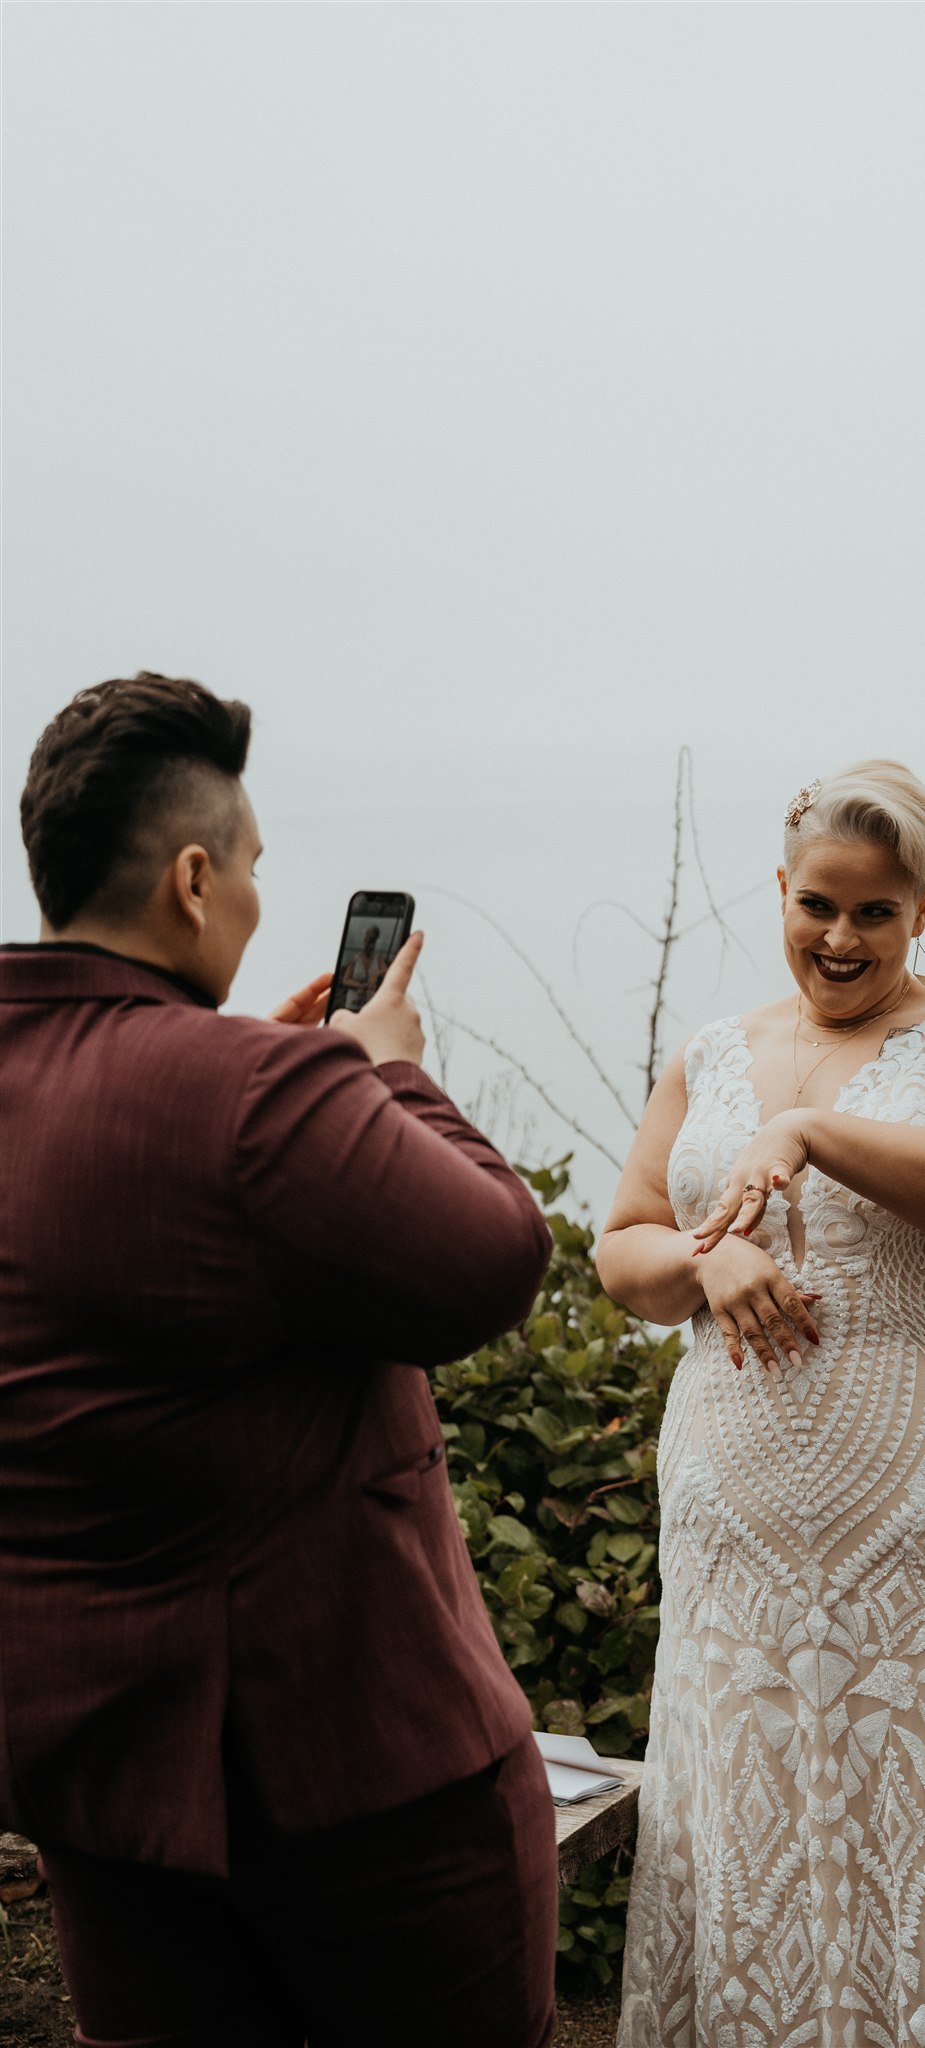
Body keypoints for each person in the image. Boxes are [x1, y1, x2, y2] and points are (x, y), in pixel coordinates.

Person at [0, 673, 558, 2048]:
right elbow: (494, 1259)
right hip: (359, 1780)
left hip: (101, 1786)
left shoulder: (209, 1082)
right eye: (249, 866)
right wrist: (383, 1075)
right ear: (194, 877)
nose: (253, 898)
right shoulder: (263, 1094)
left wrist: (282, 1085)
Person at [597, 761, 925, 2046]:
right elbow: (623, 1250)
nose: (840, 938)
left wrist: (814, 1134)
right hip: (741, 1503)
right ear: (780, 889)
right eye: (818, 904)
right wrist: (708, 1259)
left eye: (876, 912)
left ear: (924, 908)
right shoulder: (711, 1052)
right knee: (755, 1793)